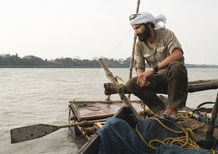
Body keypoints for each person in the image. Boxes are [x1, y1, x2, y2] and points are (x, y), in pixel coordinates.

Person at [126, 12, 188, 118]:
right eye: (134, 29)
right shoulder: (139, 45)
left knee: (177, 66)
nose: (136, 32)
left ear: (149, 24)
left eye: (138, 28)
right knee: (131, 84)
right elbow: (139, 66)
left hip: (173, 78)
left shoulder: (166, 34)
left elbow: (178, 54)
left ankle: (173, 108)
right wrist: (142, 76)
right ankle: (159, 109)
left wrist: (152, 70)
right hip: (157, 79)